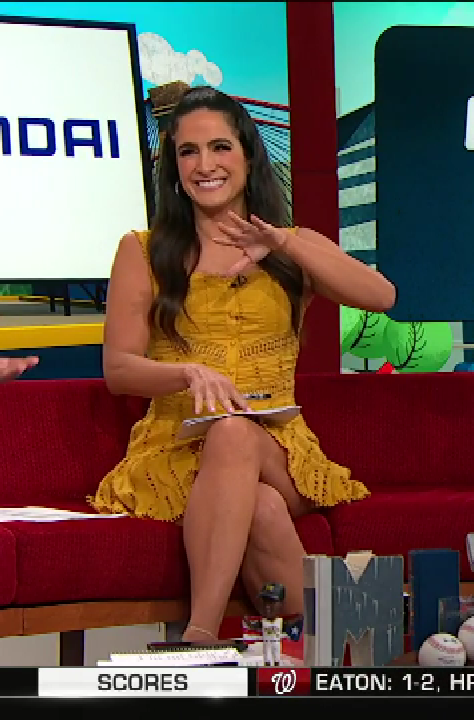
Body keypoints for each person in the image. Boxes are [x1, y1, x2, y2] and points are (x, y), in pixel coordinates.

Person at [90, 86, 396, 644]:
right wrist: (186, 373)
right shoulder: (143, 250)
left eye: (220, 147)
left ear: (249, 156)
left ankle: (198, 635)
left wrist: (284, 243)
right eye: (188, 152)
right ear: (174, 168)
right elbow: (120, 370)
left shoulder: (293, 246)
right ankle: (342, 640)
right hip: (176, 447)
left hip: (279, 448)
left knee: (235, 434)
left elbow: (381, 296)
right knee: (258, 505)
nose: (204, 165)